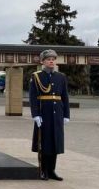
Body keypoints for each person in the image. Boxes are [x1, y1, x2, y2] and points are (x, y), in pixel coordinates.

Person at [29, 49, 69, 181]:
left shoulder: (61, 77)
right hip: (43, 113)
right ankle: (43, 170)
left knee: (55, 142)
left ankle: (52, 170)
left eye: (53, 59)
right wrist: (35, 114)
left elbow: (64, 97)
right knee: (44, 142)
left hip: (57, 113)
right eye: (48, 59)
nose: (51, 61)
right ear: (43, 61)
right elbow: (33, 97)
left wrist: (66, 114)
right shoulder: (36, 76)